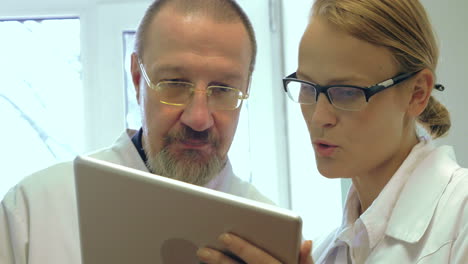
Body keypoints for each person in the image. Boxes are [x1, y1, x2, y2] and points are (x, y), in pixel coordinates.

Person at [0, 0, 274, 263]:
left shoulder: (270, 240)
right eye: (175, 83)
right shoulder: (36, 211)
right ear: (136, 78)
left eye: (223, 89)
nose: (198, 118)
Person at [196, 0, 467, 263]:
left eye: (347, 92)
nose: (319, 116)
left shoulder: (460, 219)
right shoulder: (326, 252)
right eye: (307, 87)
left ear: (417, 94)